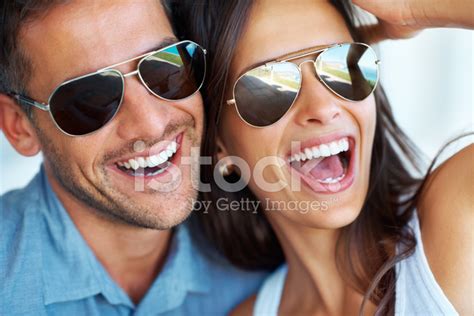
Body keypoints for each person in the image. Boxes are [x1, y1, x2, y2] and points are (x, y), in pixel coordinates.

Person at [171, 0, 473, 315]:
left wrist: (412, 10)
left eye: (343, 65)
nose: (323, 108)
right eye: (268, 87)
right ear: (219, 145)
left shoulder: (458, 214)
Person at [0, 1, 266, 315]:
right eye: (91, 98)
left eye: (166, 67)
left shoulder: (267, 254)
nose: (151, 125)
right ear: (20, 127)